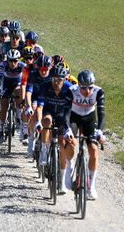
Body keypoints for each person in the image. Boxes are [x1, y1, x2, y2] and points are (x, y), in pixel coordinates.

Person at [35, 64, 75, 194]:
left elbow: (72, 111)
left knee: (63, 145)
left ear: (65, 80)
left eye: (59, 80)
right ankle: (44, 150)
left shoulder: (70, 90)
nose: (56, 82)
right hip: (48, 112)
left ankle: (62, 181)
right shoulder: (45, 87)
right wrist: (39, 123)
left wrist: (69, 127)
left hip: (63, 116)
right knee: (47, 121)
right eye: (54, 79)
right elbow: (40, 107)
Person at [69, 70, 106, 200]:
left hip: (89, 119)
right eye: (83, 87)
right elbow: (67, 111)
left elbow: (101, 113)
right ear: (78, 85)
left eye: (90, 87)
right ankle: (69, 165)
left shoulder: (98, 91)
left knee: (94, 150)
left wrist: (100, 131)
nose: (87, 91)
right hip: (74, 118)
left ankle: (91, 185)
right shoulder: (72, 90)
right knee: (70, 142)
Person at [0, 49, 26, 143]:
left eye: (15, 61)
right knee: (4, 104)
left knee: (18, 93)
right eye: (10, 60)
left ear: (18, 60)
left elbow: (26, 81)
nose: (13, 63)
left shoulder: (22, 66)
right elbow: (0, 79)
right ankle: (1, 128)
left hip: (18, 83)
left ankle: (18, 117)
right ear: (7, 60)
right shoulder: (3, 65)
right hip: (6, 84)